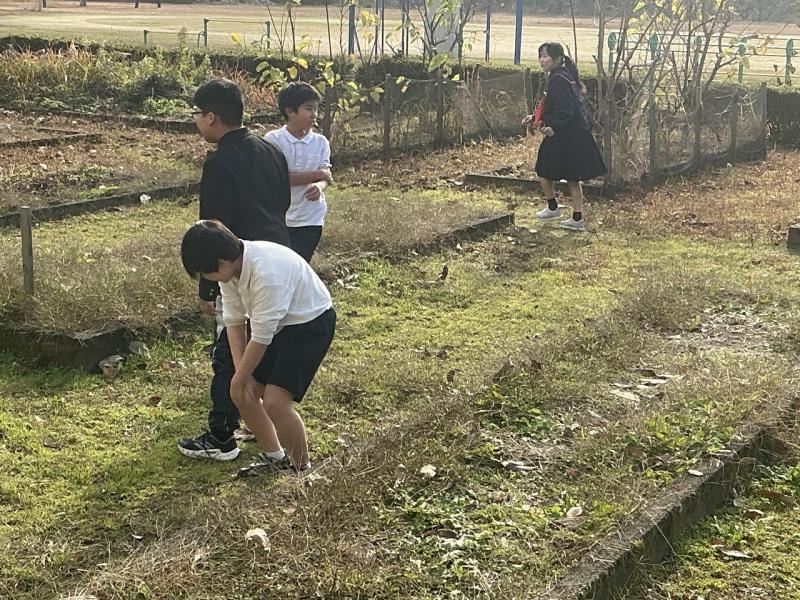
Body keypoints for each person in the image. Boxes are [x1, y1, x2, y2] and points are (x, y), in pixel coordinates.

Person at [177, 78, 292, 462]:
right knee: (265, 345)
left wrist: (208, 288)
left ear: (211, 117)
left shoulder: (220, 163)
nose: (196, 121)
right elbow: (283, 205)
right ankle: (261, 417)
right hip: (278, 262)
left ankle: (221, 435)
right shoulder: (271, 149)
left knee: (230, 351)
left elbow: (212, 231)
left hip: (236, 270)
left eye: (196, 114)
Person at [181, 220, 336, 476]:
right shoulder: (231, 271)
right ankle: (276, 458)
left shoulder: (267, 274)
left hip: (310, 323)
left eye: (205, 272)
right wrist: (241, 375)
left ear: (221, 262)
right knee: (244, 392)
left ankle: (301, 469)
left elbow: (262, 337)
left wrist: (240, 376)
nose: (206, 279)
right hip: (279, 325)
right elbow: (234, 321)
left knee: (275, 402)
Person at [524, 42, 607, 232]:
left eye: (546, 56)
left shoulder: (558, 80)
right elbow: (554, 106)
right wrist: (536, 117)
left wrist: (554, 127)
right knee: (570, 175)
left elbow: (566, 109)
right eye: (541, 56)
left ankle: (562, 212)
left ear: (558, 59)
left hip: (568, 135)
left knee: (546, 169)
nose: (542, 60)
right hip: (573, 133)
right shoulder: (562, 75)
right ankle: (569, 214)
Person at [264, 82, 333, 262]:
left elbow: (326, 174)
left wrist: (320, 186)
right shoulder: (274, 140)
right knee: (281, 266)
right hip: (281, 218)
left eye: (316, 109)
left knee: (301, 265)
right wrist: (318, 175)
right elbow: (278, 179)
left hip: (311, 217)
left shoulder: (320, 142)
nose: (314, 114)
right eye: (308, 109)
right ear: (290, 111)